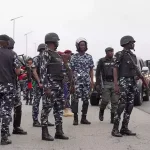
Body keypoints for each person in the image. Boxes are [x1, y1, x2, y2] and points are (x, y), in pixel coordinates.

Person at [40, 32, 69, 141]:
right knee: (46, 109)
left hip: (59, 85)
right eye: (57, 41)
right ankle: (44, 132)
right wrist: (46, 87)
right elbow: (43, 71)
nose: (58, 43)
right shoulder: (46, 53)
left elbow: (62, 70)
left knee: (59, 109)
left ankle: (59, 131)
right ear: (53, 41)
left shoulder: (56, 55)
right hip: (51, 85)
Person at [112, 35, 141, 137]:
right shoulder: (120, 54)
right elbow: (115, 68)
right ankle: (115, 129)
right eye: (131, 42)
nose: (133, 44)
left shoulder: (133, 56)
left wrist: (138, 77)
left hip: (132, 82)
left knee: (130, 105)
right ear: (126, 43)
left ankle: (124, 128)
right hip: (123, 81)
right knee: (122, 105)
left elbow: (135, 70)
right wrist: (116, 84)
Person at [0, 34, 20, 145]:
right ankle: (4, 137)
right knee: (6, 112)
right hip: (7, 86)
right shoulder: (12, 54)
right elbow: (17, 71)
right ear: (8, 43)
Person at [70, 37, 94, 125]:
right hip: (77, 81)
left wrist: (92, 81)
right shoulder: (74, 57)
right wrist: (72, 84)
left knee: (86, 100)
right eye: (81, 45)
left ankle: (84, 118)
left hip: (86, 82)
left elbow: (91, 69)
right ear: (78, 46)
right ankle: (75, 118)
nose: (82, 46)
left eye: (84, 45)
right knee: (75, 100)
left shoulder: (89, 57)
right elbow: (71, 70)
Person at [8, 37, 27, 135]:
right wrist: (22, 71)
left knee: (4, 108)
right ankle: (16, 127)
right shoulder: (12, 54)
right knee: (17, 106)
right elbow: (17, 71)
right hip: (12, 86)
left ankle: (5, 130)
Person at [32, 43, 54, 127]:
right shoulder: (36, 59)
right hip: (39, 84)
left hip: (46, 84)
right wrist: (39, 82)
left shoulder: (47, 58)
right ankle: (35, 121)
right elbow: (34, 71)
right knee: (36, 102)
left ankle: (45, 120)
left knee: (46, 103)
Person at [96, 47, 118, 123]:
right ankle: (101, 111)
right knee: (105, 100)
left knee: (115, 101)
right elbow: (97, 73)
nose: (111, 53)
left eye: (112, 51)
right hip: (106, 82)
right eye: (110, 52)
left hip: (114, 82)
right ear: (106, 52)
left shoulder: (115, 61)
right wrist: (97, 84)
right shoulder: (102, 61)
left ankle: (112, 118)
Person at [62, 50, 74, 117]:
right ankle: (66, 107)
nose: (70, 55)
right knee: (65, 95)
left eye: (70, 54)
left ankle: (67, 106)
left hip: (70, 81)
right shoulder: (63, 62)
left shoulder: (71, 63)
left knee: (68, 95)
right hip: (64, 81)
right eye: (69, 54)